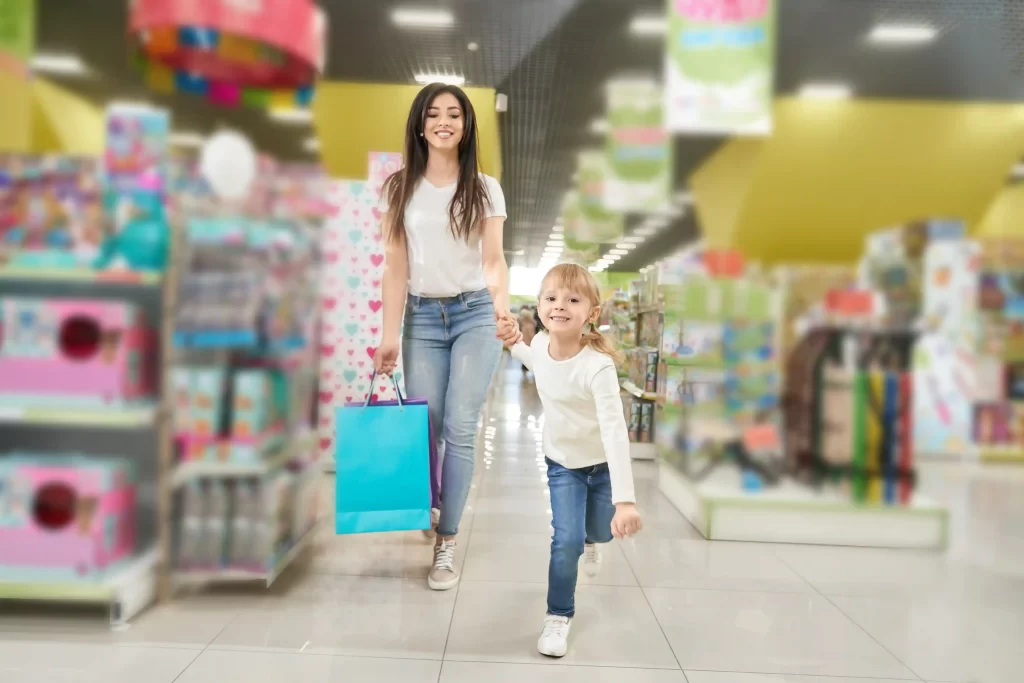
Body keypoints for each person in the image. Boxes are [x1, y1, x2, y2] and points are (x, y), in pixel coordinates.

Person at [374, 83, 521, 591]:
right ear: (419, 125)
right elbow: (395, 267)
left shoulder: (485, 187)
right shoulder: (398, 189)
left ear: (466, 126)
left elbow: (493, 261)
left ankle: (447, 541)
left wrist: (501, 309)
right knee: (427, 423)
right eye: (433, 114)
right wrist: (387, 334)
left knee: (460, 425)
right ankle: (429, 502)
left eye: (454, 114)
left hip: (474, 314)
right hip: (420, 318)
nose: (443, 121)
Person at [505, 263, 643, 658]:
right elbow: (532, 359)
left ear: (591, 313)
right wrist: (510, 338)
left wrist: (625, 500)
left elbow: (616, 432)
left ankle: (593, 539)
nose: (559, 305)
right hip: (563, 463)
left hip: (601, 466)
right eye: (551, 298)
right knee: (564, 540)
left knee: (598, 531)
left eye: (572, 299)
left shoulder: (597, 366)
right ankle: (558, 615)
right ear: (540, 306)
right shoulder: (540, 350)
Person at [518, 306, 537, 374]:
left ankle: (526, 367)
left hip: (528, 342)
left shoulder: (526, 324)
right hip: (527, 342)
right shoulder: (530, 323)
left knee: (527, 355)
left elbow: (531, 334)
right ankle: (526, 367)